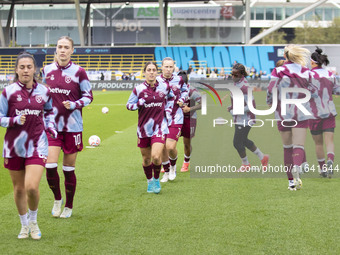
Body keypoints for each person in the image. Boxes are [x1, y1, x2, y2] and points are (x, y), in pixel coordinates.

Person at [0, 52, 57, 239]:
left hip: (37, 144)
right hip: (14, 146)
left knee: (31, 186)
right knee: (18, 189)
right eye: (22, 67)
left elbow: (49, 112)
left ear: (35, 69)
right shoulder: (7, 93)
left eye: (29, 67)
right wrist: (14, 120)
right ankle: (24, 225)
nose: (25, 70)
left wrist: (51, 127)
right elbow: (0, 118)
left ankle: (33, 221)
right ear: (16, 70)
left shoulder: (44, 91)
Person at [42, 36, 93, 218]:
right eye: (59, 47)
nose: (62, 50)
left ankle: (69, 206)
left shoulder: (79, 72)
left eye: (66, 47)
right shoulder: (46, 70)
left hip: (73, 127)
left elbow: (89, 96)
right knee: (49, 165)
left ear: (72, 50)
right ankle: (57, 199)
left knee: (68, 169)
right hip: (52, 127)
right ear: (56, 49)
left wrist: (75, 104)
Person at [267, 45, 314, 191]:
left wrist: (270, 101)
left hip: (283, 112)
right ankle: (298, 167)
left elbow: (271, 89)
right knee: (298, 145)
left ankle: (291, 182)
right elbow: (313, 90)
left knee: (287, 148)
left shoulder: (278, 70)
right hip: (300, 111)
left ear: (286, 56)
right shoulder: (306, 71)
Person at [126, 61, 174, 193]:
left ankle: (157, 180)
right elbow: (129, 105)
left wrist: (168, 111)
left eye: (154, 70)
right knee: (146, 159)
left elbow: (171, 98)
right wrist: (138, 104)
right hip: (143, 129)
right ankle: (149, 181)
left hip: (159, 127)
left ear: (157, 72)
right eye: (149, 70)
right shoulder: (139, 89)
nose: (151, 72)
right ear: (145, 72)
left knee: (156, 157)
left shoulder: (164, 87)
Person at [228, 63, 269, 172]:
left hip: (246, 119)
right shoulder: (236, 85)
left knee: (237, 142)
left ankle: (245, 164)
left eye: (235, 75)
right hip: (240, 118)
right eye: (232, 74)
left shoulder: (245, 88)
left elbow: (251, 106)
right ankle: (263, 157)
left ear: (241, 75)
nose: (233, 77)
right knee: (243, 140)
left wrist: (235, 111)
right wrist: (231, 107)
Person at [309, 47, 340, 178]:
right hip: (329, 112)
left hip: (314, 113)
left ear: (312, 62)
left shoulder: (308, 75)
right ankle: (330, 160)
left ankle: (322, 169)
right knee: (329, 142)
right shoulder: (330, 75)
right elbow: (337, 91)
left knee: (318, 143)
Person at [157, 57, 189, 183]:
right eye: (166, 66)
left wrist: (182, 99)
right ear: (162, 67)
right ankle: (166, 171)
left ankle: (173, 167)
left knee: (170, 147)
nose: (168, 69)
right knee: (162, 147)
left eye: (171, 67)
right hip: (160, 117)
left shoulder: (179, 79)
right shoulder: (157, 80)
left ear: (173, 67)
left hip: (176, 117)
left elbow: (185, 90)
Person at [177, 70, 201, 172]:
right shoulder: (174, 90)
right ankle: (168, 164)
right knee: (170, 141)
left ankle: (186, 163)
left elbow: (203, 104)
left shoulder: (192, 91)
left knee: (186, 143)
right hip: (176, 118)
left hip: (190, 119)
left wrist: (190, 109)